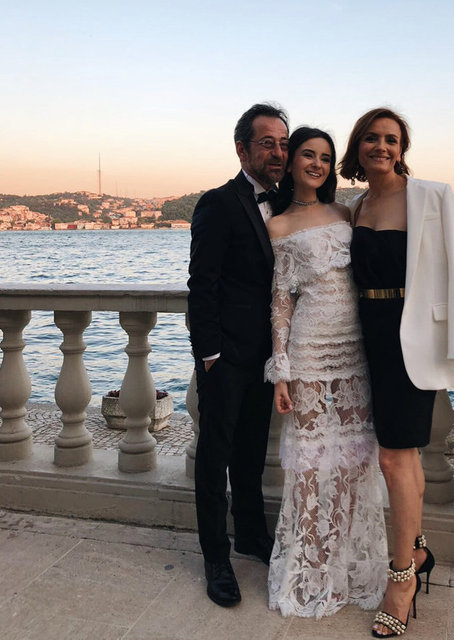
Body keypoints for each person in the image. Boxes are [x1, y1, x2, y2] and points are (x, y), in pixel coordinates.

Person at [340, 108, 454, 638]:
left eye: (391, 139)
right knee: (405, 457)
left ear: (402, 149)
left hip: (411, 336)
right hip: (366, 336)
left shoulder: (433, 196)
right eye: (372, 138)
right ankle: (416, 551)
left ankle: (400, 580)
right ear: (358, 147)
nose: (382, 146)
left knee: (394, 458)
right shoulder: (356, 206)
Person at [264, 126, 388, 619]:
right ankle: (311, 568)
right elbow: (281, 302)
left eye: (325, 157)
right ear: (292, 161)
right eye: (308, 155)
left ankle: (347, 562)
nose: (317, 163)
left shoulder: (345, 212)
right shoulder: (277, 225)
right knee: (310, 461)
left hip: (357, 346)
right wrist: (282, 370)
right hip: (310, 348)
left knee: (356, 457)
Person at [187, 103, 289, 608]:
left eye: (283, 144)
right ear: (242, 149)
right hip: (225, 357)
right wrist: (209, 355)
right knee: (215, 456)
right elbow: (201, 284)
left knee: (250, 452)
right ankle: (215, 557)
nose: (278, 153)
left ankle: (250, 534)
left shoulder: (287, 204)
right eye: (267, 143)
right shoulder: (218, 203)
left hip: (267, 357)